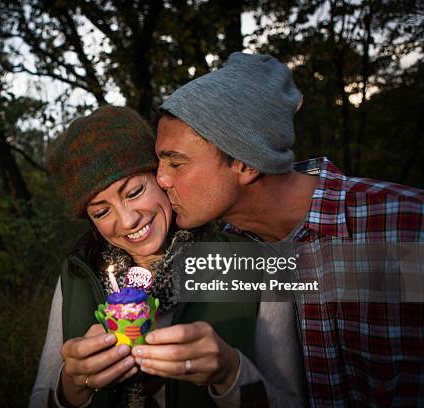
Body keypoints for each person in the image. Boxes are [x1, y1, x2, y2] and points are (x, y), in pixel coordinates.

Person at [154, 52, 424, 407]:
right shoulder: (227, 255)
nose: (160, 178)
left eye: (176, 162)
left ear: (245, 163)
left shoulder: (406, 227)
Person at [29, 106, 306, 407]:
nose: (127, 221)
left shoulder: (256, 264)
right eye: (101, 211)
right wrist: (71, 388)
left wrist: (230, 372)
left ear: (161, 177)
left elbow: (293, 401)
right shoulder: (77, 276)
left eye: (134, 191)